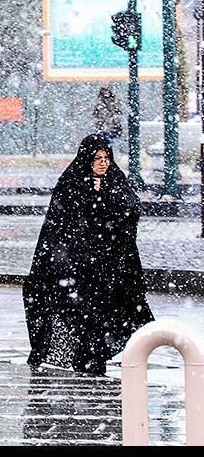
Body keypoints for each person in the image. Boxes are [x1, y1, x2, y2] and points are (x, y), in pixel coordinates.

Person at [23, 133, 154, 376]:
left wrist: (104, 196)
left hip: (108, 267)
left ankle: (95, 359)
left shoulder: (115, 180)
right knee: (83, 316)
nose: (103, 163)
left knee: (107, 314)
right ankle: (86, 360)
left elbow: (130, 211)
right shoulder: (72, 183)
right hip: (79, 267)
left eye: (106, 158)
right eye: (97, 158)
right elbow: (63, 223)